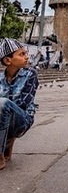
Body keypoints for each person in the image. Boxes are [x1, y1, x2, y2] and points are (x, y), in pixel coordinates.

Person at [0, 38, 39, 170]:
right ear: (7, 60)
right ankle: (5, 143)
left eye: (25, 53)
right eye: (21, 54)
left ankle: (0, 155)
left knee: (3, 102)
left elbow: (23, 104)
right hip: (3, 118)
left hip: (22, 118)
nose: (26, 57)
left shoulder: (30, 75)